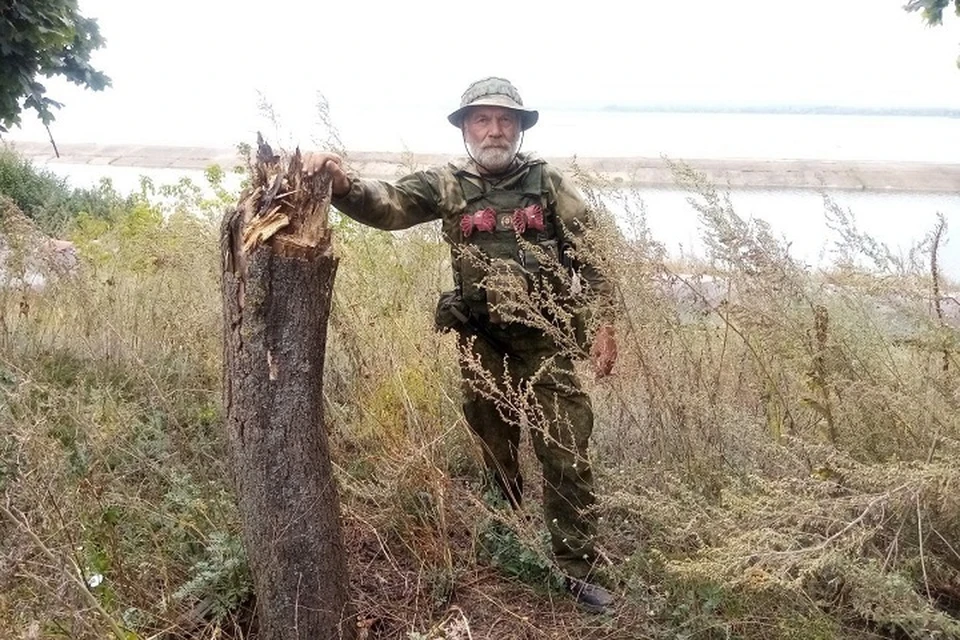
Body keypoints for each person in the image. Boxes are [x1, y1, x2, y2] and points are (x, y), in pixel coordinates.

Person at [304, 77, 618, 613]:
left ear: (519, 128)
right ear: (466, 127)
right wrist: (341, 185)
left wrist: (604, 323)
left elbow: (595, 250)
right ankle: (507, 531)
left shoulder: (548, 184)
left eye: (506, 120)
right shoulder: (447, 184)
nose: (495, 130)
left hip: (547, 343)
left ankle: (576, 567)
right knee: (494, 445)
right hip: (480, 340)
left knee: (565, 450)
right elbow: (391, 205)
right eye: (482, 119)